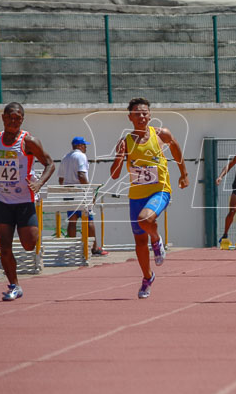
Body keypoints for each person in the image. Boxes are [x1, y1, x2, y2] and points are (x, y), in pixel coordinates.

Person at [0, 102, 55, 301]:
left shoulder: (29, 141)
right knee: (5, 247)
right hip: (2, 199)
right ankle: (14, 285)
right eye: (10, 117)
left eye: (17, 118)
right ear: (3, 117)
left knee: (29, 244)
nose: (13, 121)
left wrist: (39, 184)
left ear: (22, 120)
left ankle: (17, 275)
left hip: (24, 199)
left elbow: (50, 164)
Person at [109, 97, 189, 299]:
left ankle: (157, 239)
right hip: (136, 195)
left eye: (145, 113)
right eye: (137, 113)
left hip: (160, 190)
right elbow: (114, 174)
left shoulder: (161, 134)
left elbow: (175, 146)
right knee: (138, 242)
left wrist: (184, 173)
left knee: (145, 220)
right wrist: (120, 157)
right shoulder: (125, 142)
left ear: (150, 115)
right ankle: (147, 277)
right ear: (130, 118)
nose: (142, 116)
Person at [59, 136, 105, 256]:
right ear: (79, 146)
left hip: (69, 193)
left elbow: (61, 179)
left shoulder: (65, 157)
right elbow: (81, 175)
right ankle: (94, 248)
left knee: (72, 220)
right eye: (84, 145)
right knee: (89, 220)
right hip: (81, 192)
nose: (85, 148)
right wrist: (90, 192)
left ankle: (72, 248)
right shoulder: (81, 156)